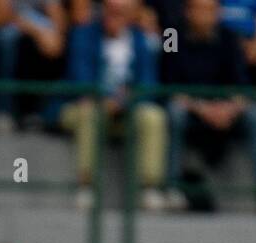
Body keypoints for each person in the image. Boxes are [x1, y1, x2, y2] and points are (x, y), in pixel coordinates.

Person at [162, 0, 256, 213]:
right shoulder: (171, 35)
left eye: (210, 10)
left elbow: (241, 87)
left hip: (223, 111)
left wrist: (229, 108)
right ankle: (171, 189)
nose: (205, 15)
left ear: (218, 12)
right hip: (191, 109)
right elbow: (168, 85)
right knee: (174, 113)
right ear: (188, 11)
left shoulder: (229, 37)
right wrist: (203, 109)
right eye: (199, 9)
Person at [60, 0, 172, 211]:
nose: (115, 17)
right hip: (85, 105)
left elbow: (149, 82)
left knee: (154, 116)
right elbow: (80, 77)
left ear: (131, 15)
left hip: (127, 109)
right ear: (103, 11)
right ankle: (86, 186)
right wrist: (104, 99)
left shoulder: (141, 40)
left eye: (121, 13)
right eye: (111, 11)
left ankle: (149, 188)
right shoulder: (83, 35)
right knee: (88, 113)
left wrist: (124, 101)